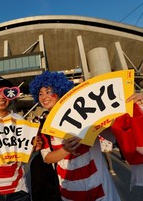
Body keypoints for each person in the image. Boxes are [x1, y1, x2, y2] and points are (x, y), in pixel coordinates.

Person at [29, 71, 121, 201]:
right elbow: (47, 158)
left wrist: (139, 104)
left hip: (100, 188)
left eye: (48, 91)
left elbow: (117, 131)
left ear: (59, 90)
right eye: (40, 93)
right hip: (69, 191)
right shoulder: (44, 127)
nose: (44, 96)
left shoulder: (86, 113)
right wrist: (65, 150)